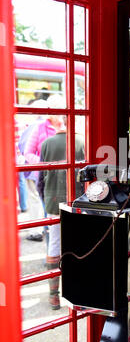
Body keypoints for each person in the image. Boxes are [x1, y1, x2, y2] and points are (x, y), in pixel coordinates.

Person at [38, 116, 84, 310]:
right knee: (79, 246)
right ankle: (78, 291)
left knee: (54, 245)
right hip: (77, 201)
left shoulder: (46, 144)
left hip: (53, 201)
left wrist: (45, 199)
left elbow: (41, 177)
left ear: (58, 122)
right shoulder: (82, 142)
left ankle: (53, 296)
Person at [23, 94, 65, 241]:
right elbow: (27, 152)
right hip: (44, 178)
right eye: (56, 110)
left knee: (63, 215)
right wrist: (43, 162)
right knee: (49, 216)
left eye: (61, 109)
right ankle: (50, 254)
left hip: (64, 177)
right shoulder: (40, 128)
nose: (58, 113)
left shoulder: (67, 126)